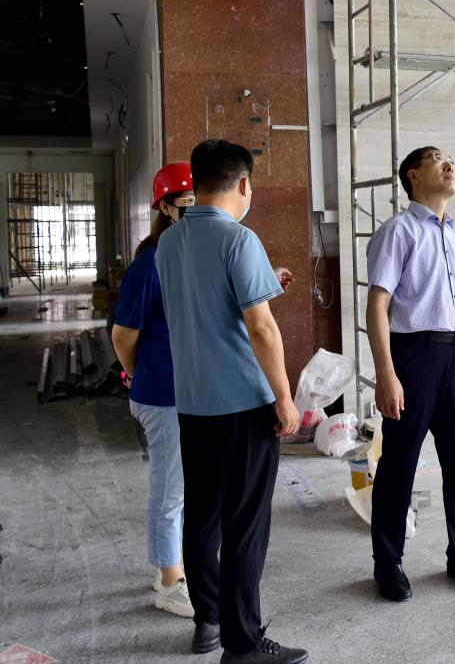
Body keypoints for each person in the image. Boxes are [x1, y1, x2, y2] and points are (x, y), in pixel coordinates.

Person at [156, 140, 307, 663]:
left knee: (203, 518)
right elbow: (261, 328)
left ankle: (211, 620)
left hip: (193, 403)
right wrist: (284, 396)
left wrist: (266, 280)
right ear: (244, 184)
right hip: (243, 403)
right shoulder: (239, 238)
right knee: (245, 528)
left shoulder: (169, 243)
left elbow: (205, 306)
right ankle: (243, 646)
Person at [365, 146, 455, 602]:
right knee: (399, 463)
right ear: (413, 176)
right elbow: (378, 305)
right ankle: (388, 561)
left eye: (452, 161)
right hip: (414, 357)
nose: (451, 166)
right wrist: (386, 373)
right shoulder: (397, 232)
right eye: (438, 159)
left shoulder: (454, 237)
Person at [111, 162, 196, 619]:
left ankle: (171, 564)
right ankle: (169, 583)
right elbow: (123, 334)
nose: (196, 211)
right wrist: (137, 375)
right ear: (165, 208)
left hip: (191, 391)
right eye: (187, 203)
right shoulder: (150, 264)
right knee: (171, 491)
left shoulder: (190, 255)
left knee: (185, 488)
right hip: (163, 395)